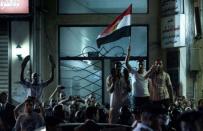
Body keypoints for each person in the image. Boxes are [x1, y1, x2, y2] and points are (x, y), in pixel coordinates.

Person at [125, 45, 153, 111]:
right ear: (137, 64)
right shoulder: (133, 72)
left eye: (142, 63)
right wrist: (128, 52)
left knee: (146, 114)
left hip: (146, 97)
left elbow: (150, 86)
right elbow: (126, 63)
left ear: (144, 64)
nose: (140, 65)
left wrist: (151, 97)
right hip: (136, 97)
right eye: (139, 63)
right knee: (136, 115)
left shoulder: (147, 73)